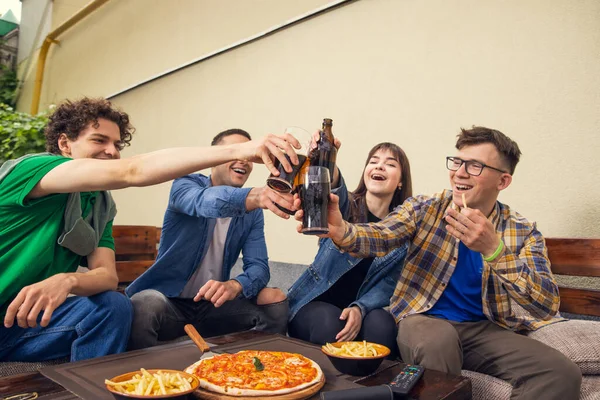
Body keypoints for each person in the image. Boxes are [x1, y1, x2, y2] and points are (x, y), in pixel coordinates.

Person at [0, 98, 300, 362]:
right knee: (140, 304)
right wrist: (245, 152)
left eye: (117, 145)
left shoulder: (99, 204)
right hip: (165, 302)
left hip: (23, 321)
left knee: (112, 305)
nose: (112, 152)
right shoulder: (32, 170)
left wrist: (67, 280)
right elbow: (135, 171)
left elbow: (106, 276)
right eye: (99, 140)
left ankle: (258, 375)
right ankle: (146, 376)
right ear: (65, 144)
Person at [298, 127, 582, 399]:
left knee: (561, 372)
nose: (459, 173)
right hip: (423, 318)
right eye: (457, 162)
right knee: (439, 340)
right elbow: (379, 236)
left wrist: (494, 250)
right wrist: (339, 229)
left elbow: (546, 305)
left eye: (474, 166)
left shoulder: (521, 231)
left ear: (503, 181)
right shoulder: (427, 208)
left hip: (485, 328)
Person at [126, 128, 303, 350]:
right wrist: (254, 196)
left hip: (213, 307)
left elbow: (259, 268)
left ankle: (260, 372)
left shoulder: (253, 212)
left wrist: (236, 285)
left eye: (248, 156)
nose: (244, 162)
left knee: (274, 298)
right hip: (169, 305)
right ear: (213, 158)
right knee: (145, 303)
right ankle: (143, 375)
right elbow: (205, 202)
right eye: (234, 153)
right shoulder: (185, 185)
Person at [288, 142, 412, 359]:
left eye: (389, 164)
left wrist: (360, 307)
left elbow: (390, 284)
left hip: (366, 308)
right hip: (316, 302)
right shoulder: (344, 207)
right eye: (373, 162)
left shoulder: (403, 229)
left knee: (382, 327)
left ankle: (375, 391)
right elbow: (335, 189)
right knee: (332, 324)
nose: (379, 167)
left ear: (400, 181)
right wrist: (329, 160)